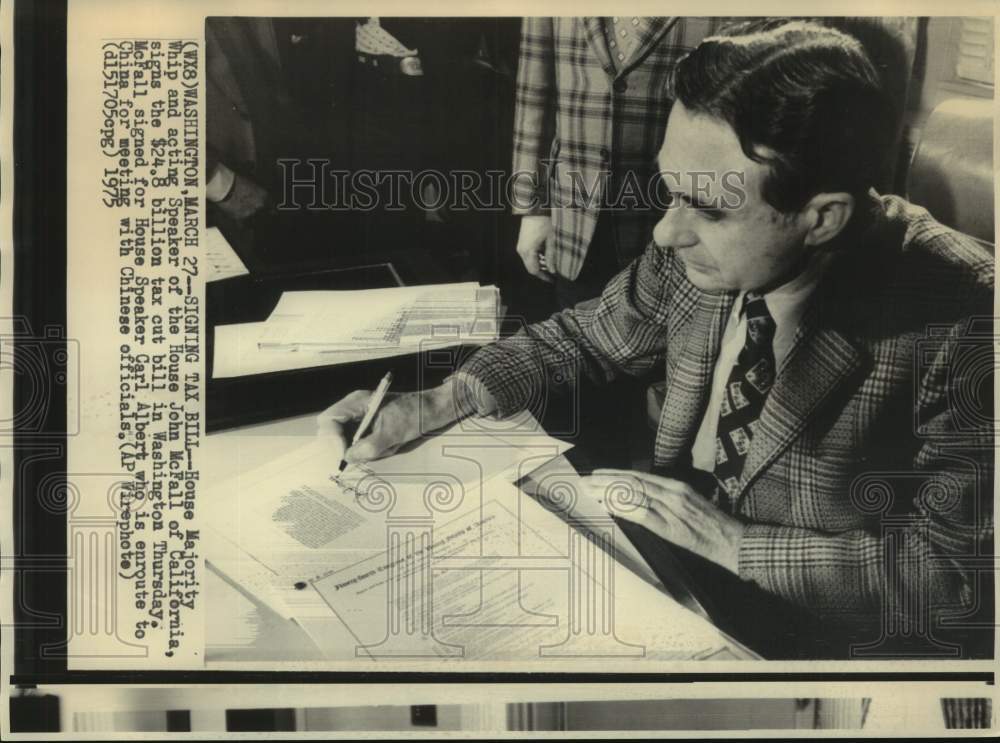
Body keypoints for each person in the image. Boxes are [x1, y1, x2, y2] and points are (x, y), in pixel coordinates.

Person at [319, 21, 994, 658]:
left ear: (822, 218)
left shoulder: (968, 320)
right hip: (655, 577)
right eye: (670, 191)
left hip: (809, 639)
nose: (666, 233)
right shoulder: (702, 246)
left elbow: (959, 578)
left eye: (706, 208)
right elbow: (578, 338)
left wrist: (728, 540)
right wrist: (437, 400)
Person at [510, 17, 735, 308]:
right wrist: (532, 208)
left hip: (673, 215)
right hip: (574, 217)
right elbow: (534, 92)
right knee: (579, 336)